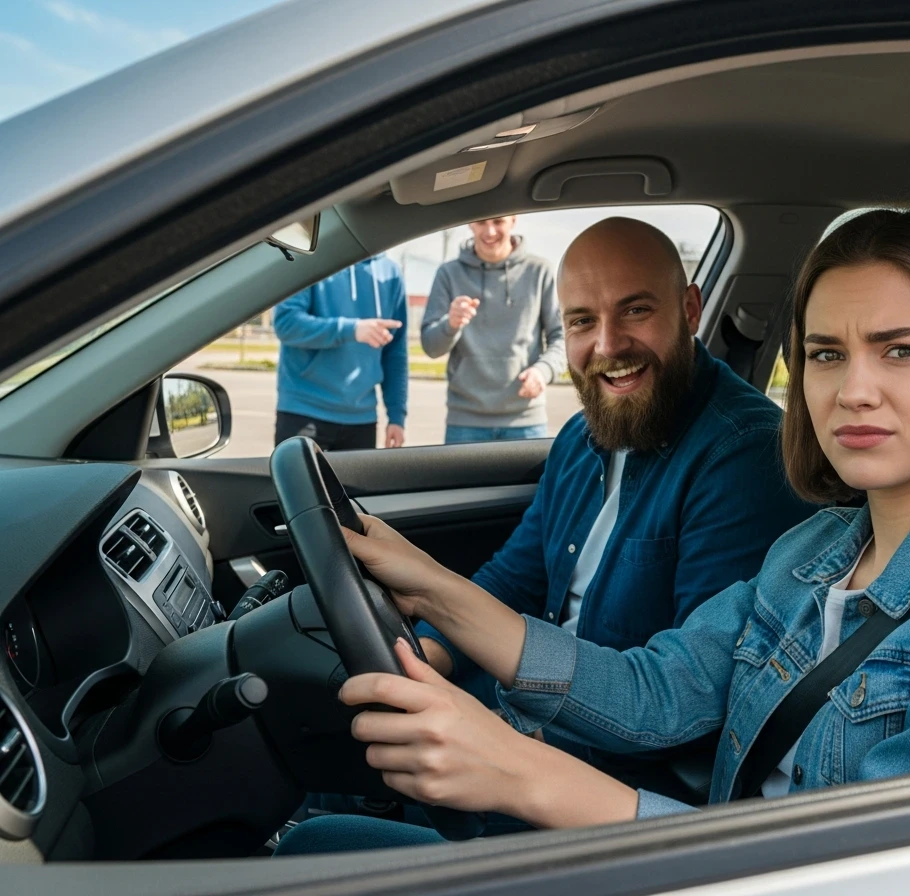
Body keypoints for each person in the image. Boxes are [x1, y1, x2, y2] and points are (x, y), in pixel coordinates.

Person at [276, 208, 910, 854]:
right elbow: (652, 690)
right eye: (825, 354)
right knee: (314, 845)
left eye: (900, 351)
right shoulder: (813, 553)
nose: (853, 390)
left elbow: (863, 870)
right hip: (689, 856)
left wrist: (523, 773)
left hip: (715, 866)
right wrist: (432, 587)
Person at [302, 216, 815, 830]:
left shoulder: (742, 454)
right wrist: (431, 654)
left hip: (606, 775)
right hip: (524, 709)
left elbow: (685, 704)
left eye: (635, 312)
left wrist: (511, 748)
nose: (607, 345)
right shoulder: (583, 433)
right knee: (322, 740)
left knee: (318, 833)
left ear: (690, 309)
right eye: (581, 322)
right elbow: (515, 579)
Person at [421, 216, 566, 443]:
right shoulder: (448, 274)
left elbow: (562, 337)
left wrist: (543, 370)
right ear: (470, 223)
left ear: (513, 221)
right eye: (481, 223)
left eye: (498, 222)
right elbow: (430, 347)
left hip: (526, 421)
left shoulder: (540, 271)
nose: (489, 232)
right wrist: (451, 324)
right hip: (465, 423)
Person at [273, 254, 408, 450]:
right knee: (296, 482)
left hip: (362, 420)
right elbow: (286, 323)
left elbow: (396, 354)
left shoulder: (391, 273)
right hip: (304, 410)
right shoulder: (310, 259)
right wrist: (351, 330)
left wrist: (397, 416)